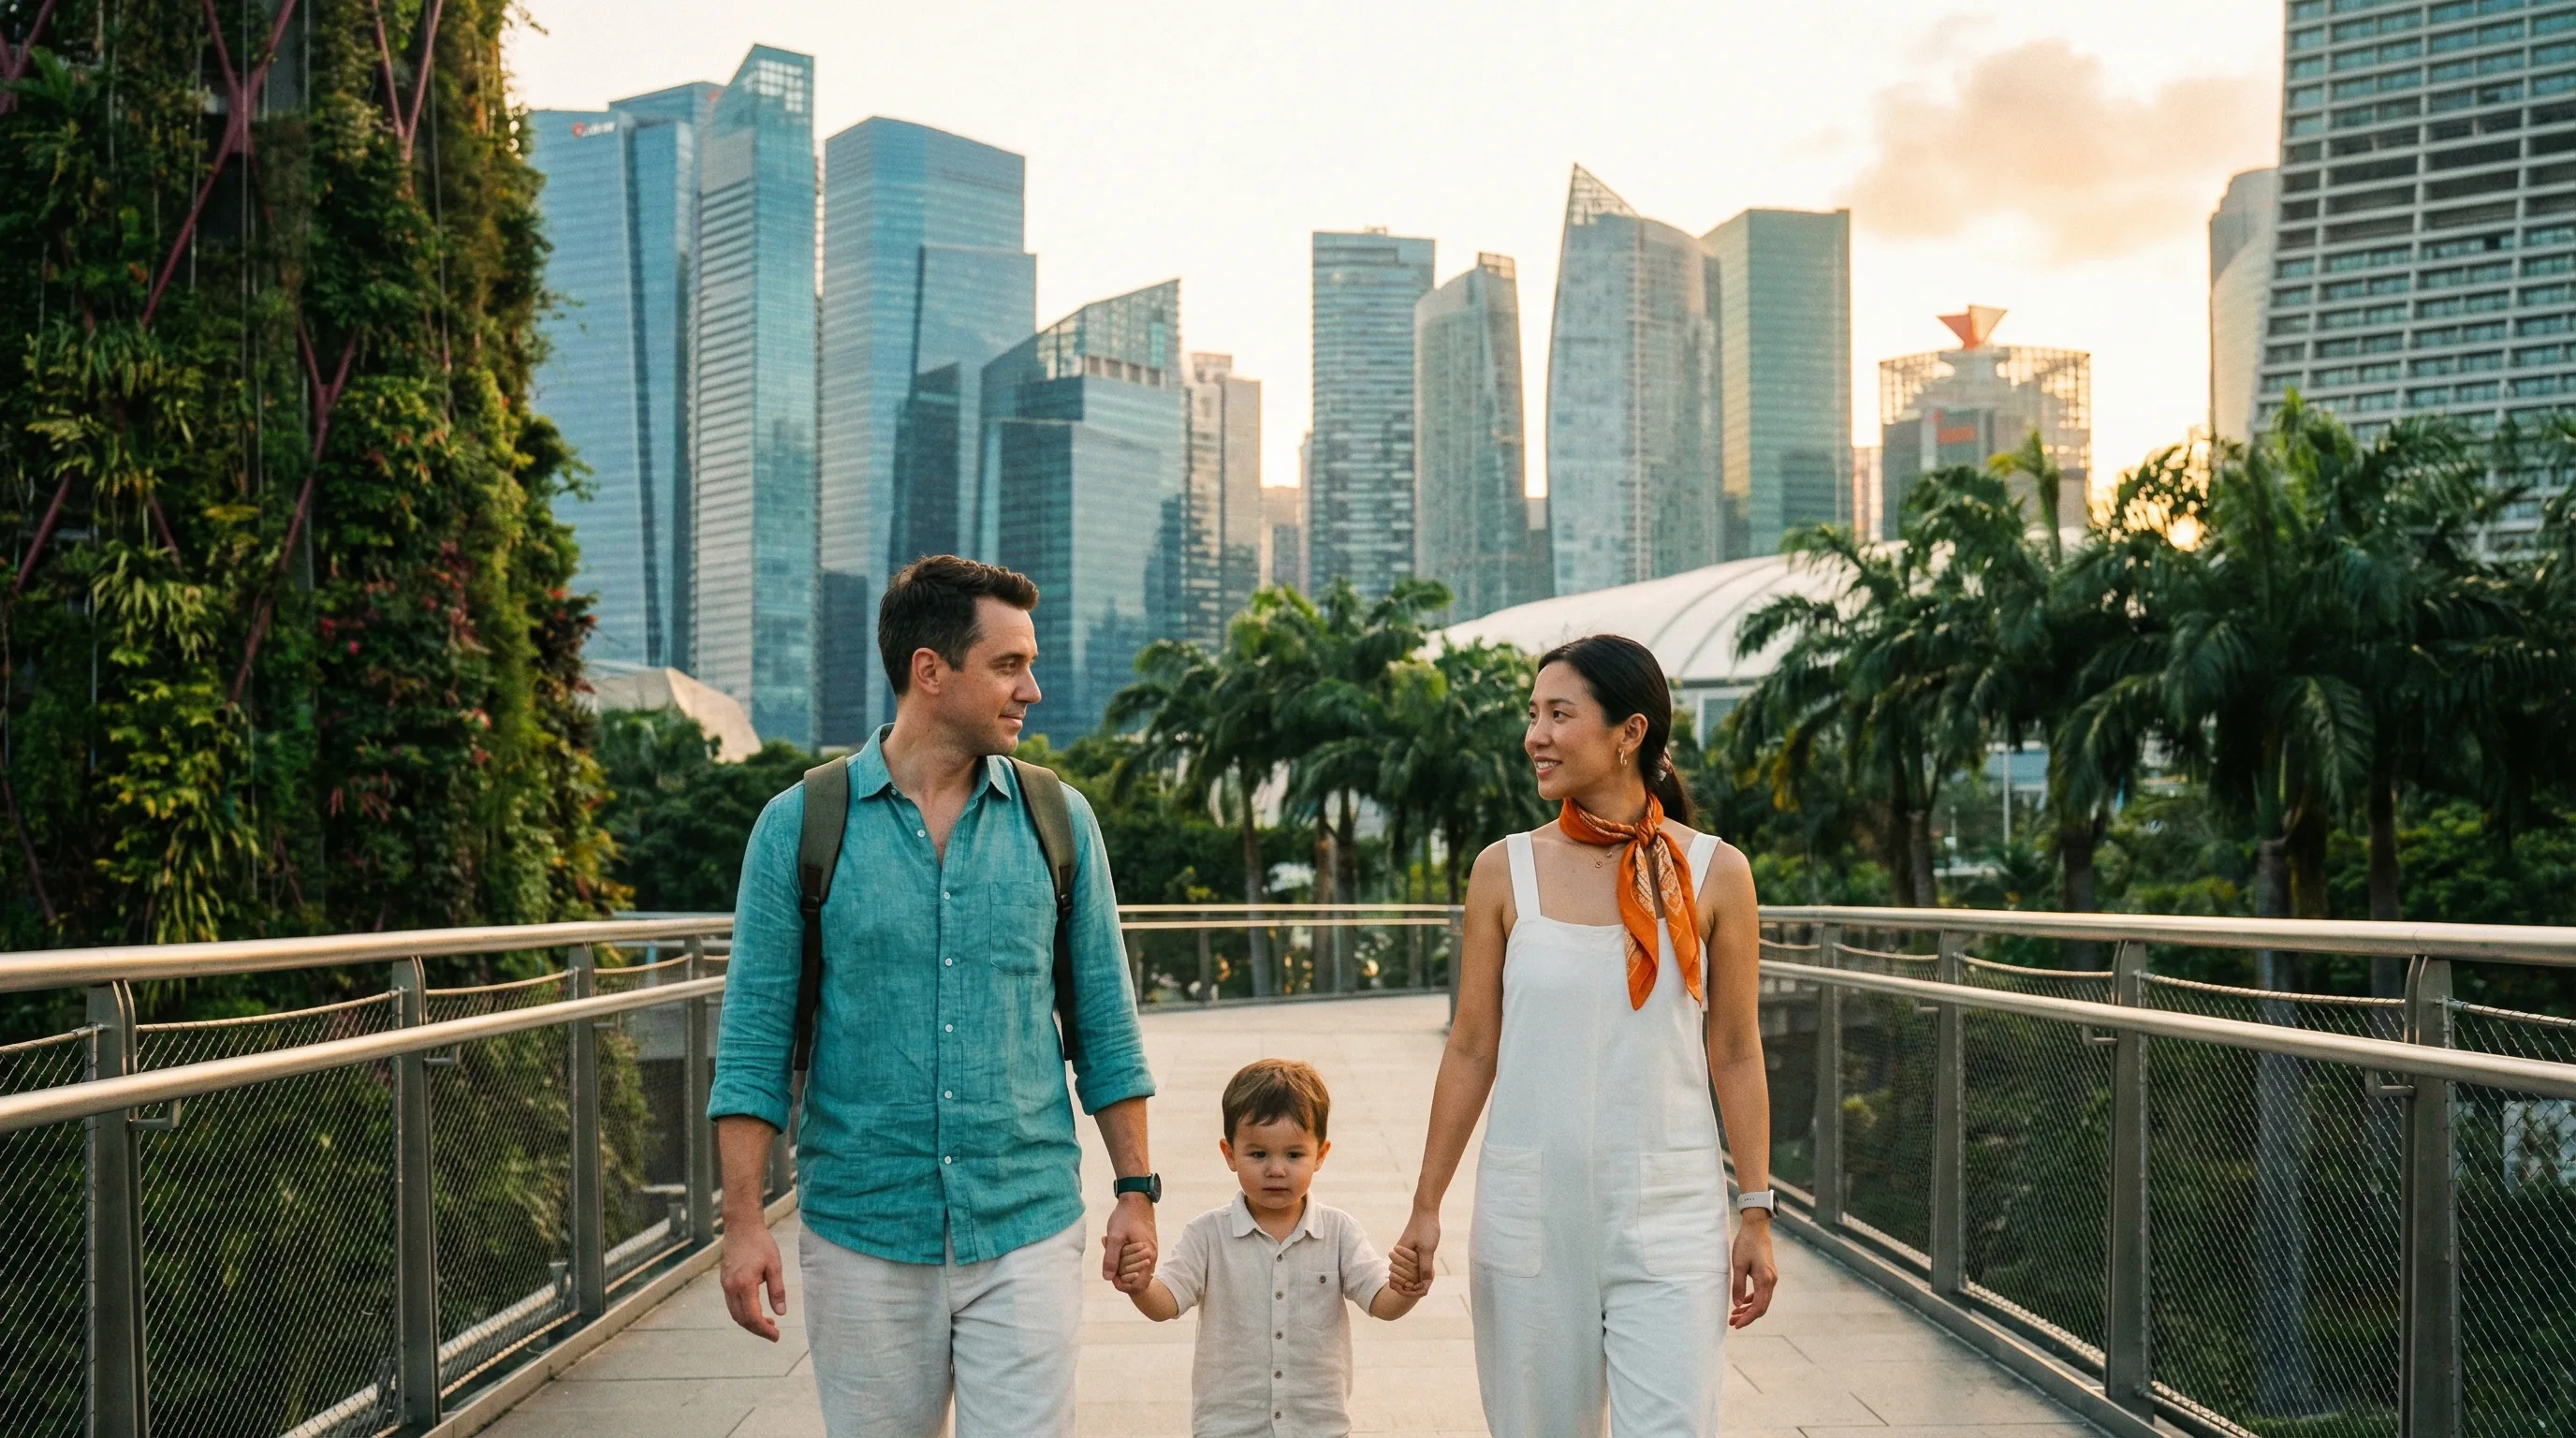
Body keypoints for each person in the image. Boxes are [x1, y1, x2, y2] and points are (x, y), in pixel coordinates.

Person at [705, 555, 1163, 1438]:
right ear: (930, 669)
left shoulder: (1060, 822)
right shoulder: (798, 826)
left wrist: (1135, 1188)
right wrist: (743, 1223)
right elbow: (757, 1042)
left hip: (1024, 1220)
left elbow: (1105, 1026)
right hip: (862, 1227)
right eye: (1008, 665)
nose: (1032, 688)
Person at [1387, 633, 1778, 1437]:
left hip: (1670, 1210)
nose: (1536, 735)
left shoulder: (1717, 873)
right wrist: (1425, 1205)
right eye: (1534, 715)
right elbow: (1471, 1046)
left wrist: (1756, 1211)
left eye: (1559, 714)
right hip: (1530, 1208)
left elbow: (1735, 1049)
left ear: (1629, 733)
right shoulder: (1504, 871)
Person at [1125, 1059, 1422, 1436]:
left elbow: (1382, 1302)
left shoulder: (1339, 1233)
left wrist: (1408, 1286)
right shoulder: (1207, 1235)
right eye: (1258, 1154)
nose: (1276, 1169)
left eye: (1294, 1155)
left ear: (1321, 1154)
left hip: (1318, 1427)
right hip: (1228, 1427)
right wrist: (1140, 1283)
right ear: (1229, 1153)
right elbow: (1166, 1303)